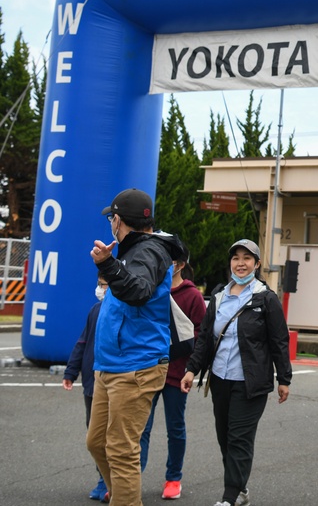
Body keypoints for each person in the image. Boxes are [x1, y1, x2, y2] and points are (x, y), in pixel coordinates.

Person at [88, 188, 185, 506]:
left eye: (111, 218)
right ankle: (122, 493)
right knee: (98, 443)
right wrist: (112, 265)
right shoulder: (135, 250)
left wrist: (107, 265)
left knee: (120, 449)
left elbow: (139, 291)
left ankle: (125, 497)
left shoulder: (148, 252)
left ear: (118, 220)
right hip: (112, 364)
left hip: (135, 366)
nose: (110, 223)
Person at [180, 239, 292, 506]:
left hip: (250, 383)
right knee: (225, 437)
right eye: (236, 258)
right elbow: (206, 337)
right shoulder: (219, 295)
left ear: (257, 263)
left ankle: (229, 497)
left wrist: (284, 379)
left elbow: (279, 341)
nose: (240, 263)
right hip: (220, 378)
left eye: (247, 258)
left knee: (239, 438)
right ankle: (240, 490)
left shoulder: (265, 298)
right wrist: (191, 369)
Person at [139, 242, 206, 500]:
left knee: (175, 427)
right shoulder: (152, 290)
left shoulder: (192, 296)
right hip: (149, 370)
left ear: (179, 265)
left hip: (177, 373)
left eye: (168, 260)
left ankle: (173, 479)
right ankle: (131, 477)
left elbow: (201, 334)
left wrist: (191, 368)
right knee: (140, 427)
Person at [63, 275, 110, 502]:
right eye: (100, 284)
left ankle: (110, 481)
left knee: (112, 436)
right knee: (94, 434)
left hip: (113, 383)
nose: (102, 289)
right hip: (91, 384)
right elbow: (83, 341)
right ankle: (102, 477)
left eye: (106, 284)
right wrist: (71, 371)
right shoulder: (94, 310)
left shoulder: (125, 311)